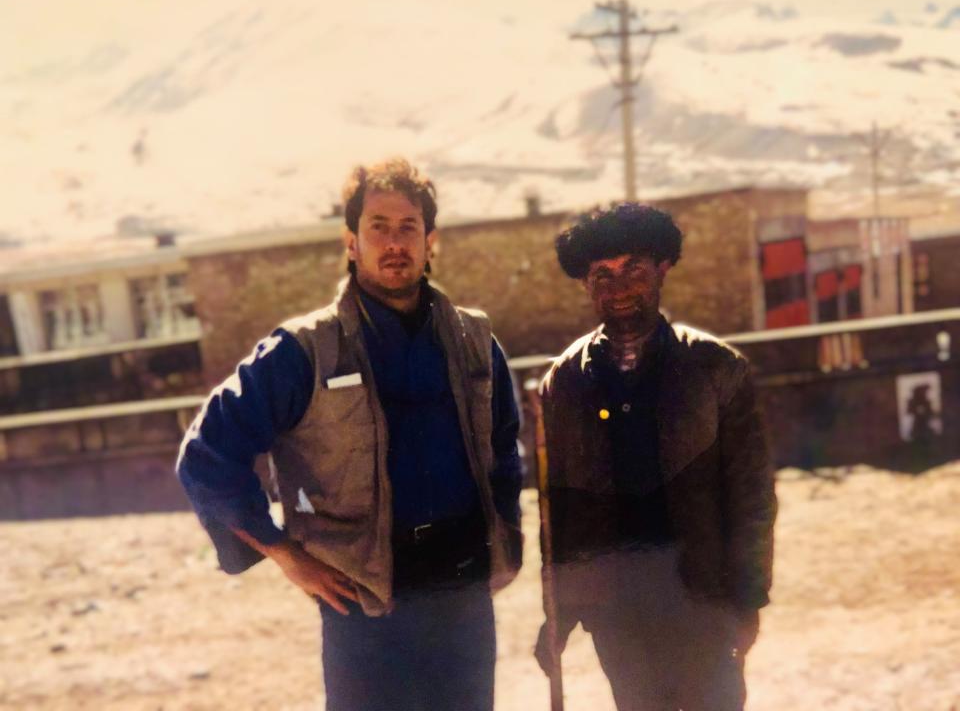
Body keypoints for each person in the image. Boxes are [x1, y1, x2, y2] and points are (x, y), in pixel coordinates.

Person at [176, 158, 523, 711]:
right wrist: (285, 552)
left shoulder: (473, 339)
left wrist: (504, 542)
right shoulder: (303, 349)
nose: (394, 242)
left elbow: (505, 447)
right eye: (378, 227)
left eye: (408, 227)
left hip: (460, 590)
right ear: (351, 242)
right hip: (362, 599)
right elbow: (207, 454)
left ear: (430, 241)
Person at [534, 203, 776, 711]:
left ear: (662, 268)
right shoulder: (566, 381)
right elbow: (560, 510)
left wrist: (749, 598)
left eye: (634, 271)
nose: (619, 288)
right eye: (603, 275)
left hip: (703, 601)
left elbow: (751, 498)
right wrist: (558, 611)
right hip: (619, 612)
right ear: (585, 283)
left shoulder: (717, 369)